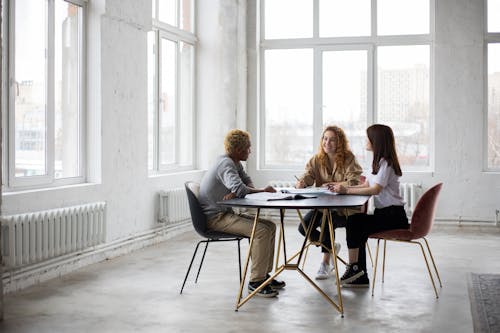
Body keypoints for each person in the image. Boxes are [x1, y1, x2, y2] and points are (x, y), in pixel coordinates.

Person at [199, 129, 285, 298]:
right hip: (215, 218)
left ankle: (264, 276)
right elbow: (240, 188)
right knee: (261, 231)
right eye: (248, 148)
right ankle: (255, 282)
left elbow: (246, 182)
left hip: (224, 214)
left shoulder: (234, 163)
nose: (250, 151)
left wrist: (241, 190)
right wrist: (257, 190)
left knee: (270, 226)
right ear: (238, 150)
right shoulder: (226, 164)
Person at [332, 124, 409, 287]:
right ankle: (359, 275)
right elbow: (366, 183)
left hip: (394, 216)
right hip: (385, 214)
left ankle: (354, 268)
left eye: (368, 138)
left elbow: (375, 189)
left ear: (376, 141)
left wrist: (346, 191)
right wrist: (342, 188)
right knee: (356, 223)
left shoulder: (386, 163)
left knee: (355, 223)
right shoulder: (378, 161)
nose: (365, 140)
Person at [295, 125, 363, 280]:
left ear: (340, 142)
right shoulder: (317, 159)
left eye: (332, 140)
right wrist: (302, 183)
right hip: (322, 207)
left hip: (344, 210)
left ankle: (325, 263)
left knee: (327, 220)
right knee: (303, 227)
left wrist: (336, 185)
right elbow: (308, 175)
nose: (327, 143)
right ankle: (331, 247)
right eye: (325, 139)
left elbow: (354, 181)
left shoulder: (349, 158)